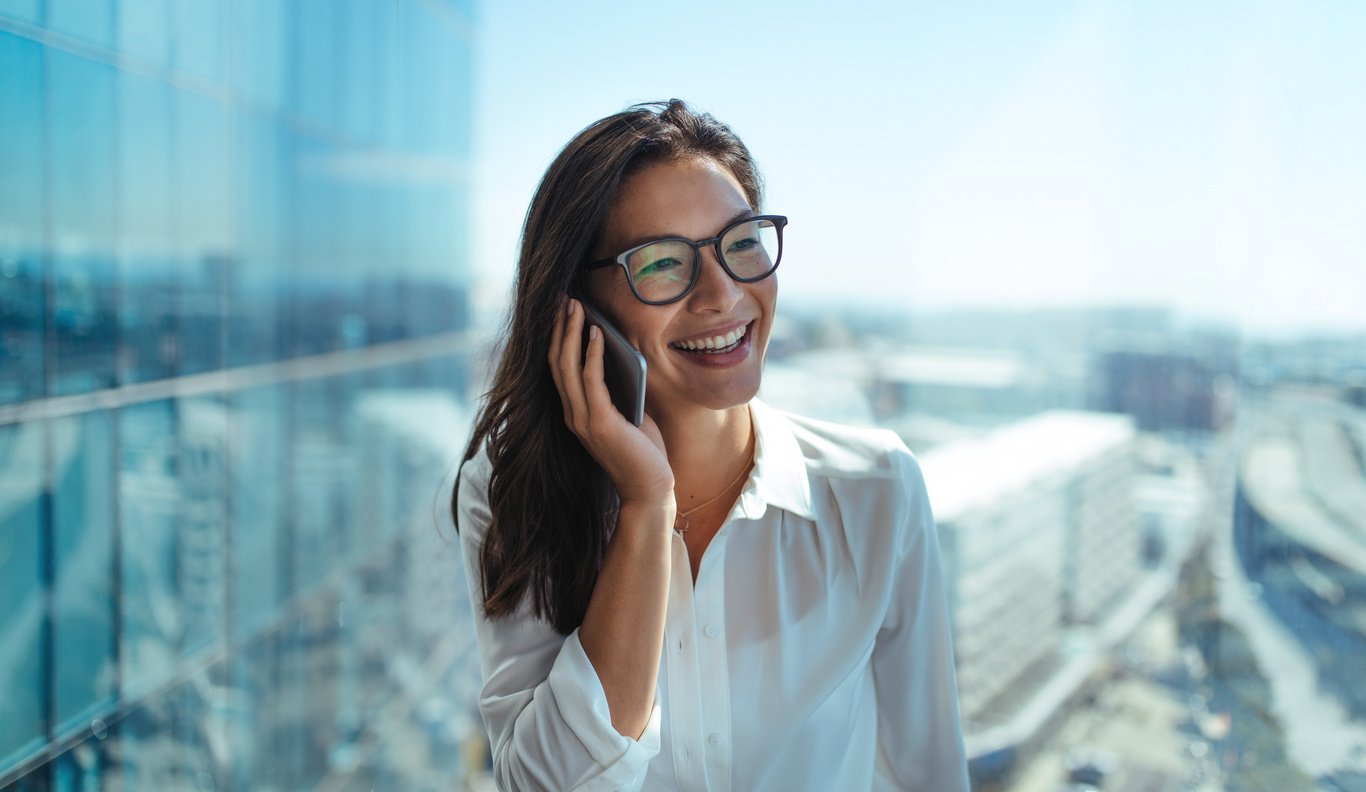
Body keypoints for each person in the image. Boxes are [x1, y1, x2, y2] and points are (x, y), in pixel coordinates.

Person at [453, 100, 969, 791]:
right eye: (663, 261)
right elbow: (542, 784)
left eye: (743, 241)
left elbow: (927, 775)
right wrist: (646, 506)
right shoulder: (512, 495)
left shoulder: (876, 489)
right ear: (576, 308)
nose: (724, 293)